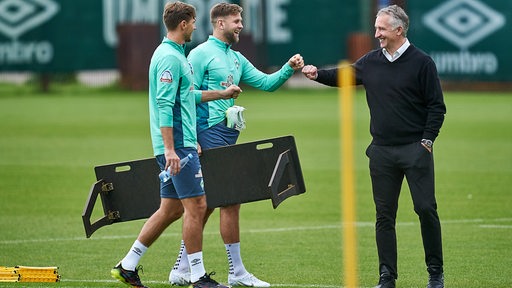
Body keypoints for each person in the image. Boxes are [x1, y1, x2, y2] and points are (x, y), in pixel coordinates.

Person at [302, 5, 446, 288]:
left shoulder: (422, 62)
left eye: (381, 28)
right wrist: (317, 74)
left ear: (398, 30)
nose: (376, 33)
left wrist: (426, 142)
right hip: (381, 152)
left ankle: (435, 274)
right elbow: (345, 76)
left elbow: (436, 107)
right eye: (376, 27)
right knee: (384, 217)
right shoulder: (370, 62)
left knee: (426, 209)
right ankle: (387, 277)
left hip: (415, 150)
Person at [168, 2, 304, 287]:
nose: (241, 25)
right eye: (236, 20)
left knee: (205, 205)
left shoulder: (236, 58)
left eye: (240, 20)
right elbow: (186, 96)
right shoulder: (201, 53)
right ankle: (236, 272)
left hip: (228, 135)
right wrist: (191, 139)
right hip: (208, 133)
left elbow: (266, 84)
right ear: (220, 23)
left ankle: (182, 268)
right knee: (229, 200)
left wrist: (288, 68)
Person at [110, 2, 241, 288]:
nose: (196, 26)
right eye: (193, 22)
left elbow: (187, 96)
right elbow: (165, 104)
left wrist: (222, 93)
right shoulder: (170, 58)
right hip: (177, 146)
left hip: (178, 144)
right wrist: (172, 150)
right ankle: (197, 277)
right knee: (197, 206)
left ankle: (127, 265)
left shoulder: (174, 54)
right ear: (183, 24)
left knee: (170, 209)